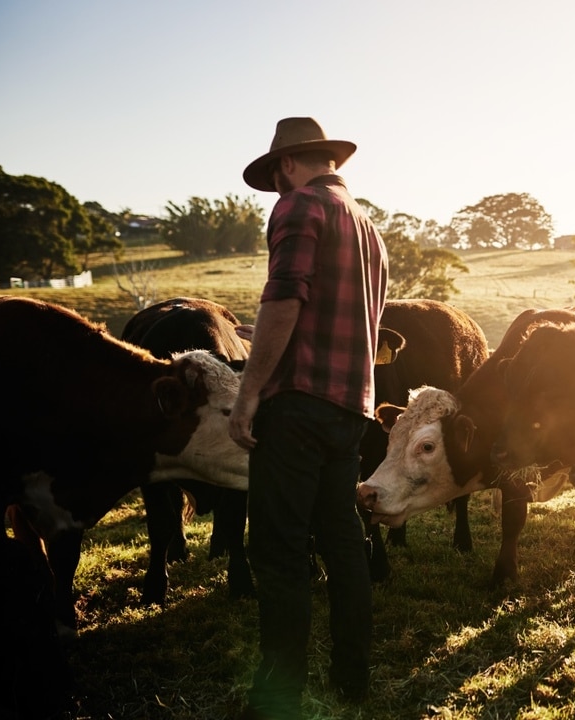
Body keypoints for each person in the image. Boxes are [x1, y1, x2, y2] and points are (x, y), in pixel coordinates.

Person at [230, 117, 388, 720]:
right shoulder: (370, 227)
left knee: (278, 549)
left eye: (275, 177)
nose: (275, 189)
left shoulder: (299, 207)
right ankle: (352, 678)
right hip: (352, 405)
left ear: (289, 164)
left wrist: (249, 394)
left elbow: (286, 294)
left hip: (295, 402)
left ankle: (278, 694)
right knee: (343, 541)